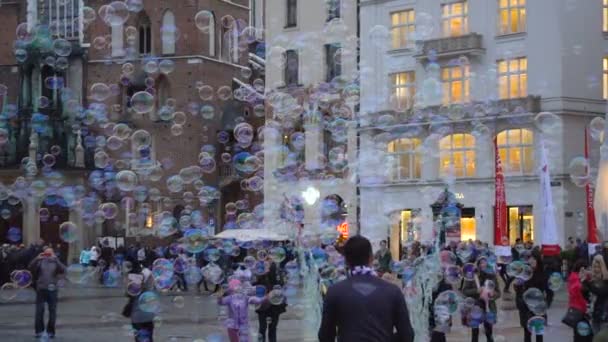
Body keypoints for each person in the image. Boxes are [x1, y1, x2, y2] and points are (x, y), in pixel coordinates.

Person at [318, 235, 414, 342]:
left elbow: (325, 335)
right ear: (371, 258)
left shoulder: (334, 292)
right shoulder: (393, 291)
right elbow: (407, 335)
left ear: (346, 261)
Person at [28, 248, 66, 339]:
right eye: (46, 253)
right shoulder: (40, 261)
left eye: (50, 253)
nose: (48, 255)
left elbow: (63, 269)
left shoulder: (55, 262)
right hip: (41, 288)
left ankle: (51, 331)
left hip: (52, 289)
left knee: (52, 311)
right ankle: (39, 331)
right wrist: (37, 258)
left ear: (53, 253)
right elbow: (30, 267)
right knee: (39, 311)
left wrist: (56, 259)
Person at [515, 254, 546, 342]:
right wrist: (517, 286)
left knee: (539, 332)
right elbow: (520, 290)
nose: (532, 261)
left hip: (538, 307)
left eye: (534, 259)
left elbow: (545, 289)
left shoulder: (542, 274)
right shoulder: (524, 273)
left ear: (538, 261)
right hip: (526, 306)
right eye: (530, 259)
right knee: (527, 332)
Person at [255, 261, 287, 342]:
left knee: (272, 328)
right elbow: (254, 284)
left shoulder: (276, 269)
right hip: (263, 304)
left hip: (275, 304)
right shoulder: (260, 270)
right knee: (262, 327)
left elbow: (281, 283)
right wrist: (261, 274)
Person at [126, 263, 156, 342]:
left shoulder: (134, 287)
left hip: (138, 318)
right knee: (148, 338)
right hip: (147, 316)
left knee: (140, 338)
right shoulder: (148, 290)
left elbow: (128, 294)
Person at [568, 260, 593, 342]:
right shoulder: (575, 277)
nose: (589, 271)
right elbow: (575, 292)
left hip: (582, 310)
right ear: (582, 269)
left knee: (586, 334)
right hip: (579, 310)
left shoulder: (584, 278)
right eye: (587, 269)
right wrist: (581, 280)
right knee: (580, 335)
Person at [582, 254, 608, 334]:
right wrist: (583, 284)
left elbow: (601, 291)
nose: (596, 269)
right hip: (594, 317)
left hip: (604, 317)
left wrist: (586, 282)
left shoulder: (605, 282)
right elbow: (586, 297)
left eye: (599, 267)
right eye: (595, 267)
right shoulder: (592, 281)